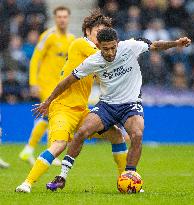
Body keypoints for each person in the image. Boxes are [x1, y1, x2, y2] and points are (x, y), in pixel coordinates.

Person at [32, 28, 191, 191]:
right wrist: (48, 101)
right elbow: (67, 81)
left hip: (130, 104)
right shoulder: (93, 61)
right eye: (105, 49)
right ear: (99, 46)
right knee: (82, 132)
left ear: (117, 43)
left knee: (137, 134)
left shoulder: (130, 46)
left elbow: (156, 46)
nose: (110, 52)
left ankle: (129, 177)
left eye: (113, 47)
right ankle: (62, 176)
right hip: (107, 105)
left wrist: (176, 43)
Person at [15, 11, 128, 193]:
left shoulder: (96, 54)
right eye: (99, 31)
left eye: (105, 32)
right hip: (62, 108)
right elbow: (110, 57)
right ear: (88, 31)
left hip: (81, 110)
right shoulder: (81, 43)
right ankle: (27, 183)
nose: (102, 36)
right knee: (59, 145)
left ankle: (126, 181)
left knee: (116, 135)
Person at [19, 6, 75, 165]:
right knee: (51, 115)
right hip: (46, 84)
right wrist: (33, 83)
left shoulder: (71, 39)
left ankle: (30, 150)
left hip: (60, 86)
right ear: (55, 18)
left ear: (68, 18)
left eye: (64, 16)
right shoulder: (48, 36)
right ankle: (39, 150)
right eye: (59, 17)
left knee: (50, 117)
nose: (62, 19)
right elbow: (35, 59)